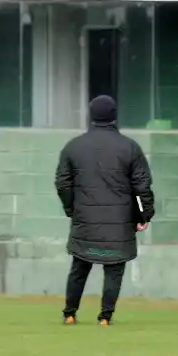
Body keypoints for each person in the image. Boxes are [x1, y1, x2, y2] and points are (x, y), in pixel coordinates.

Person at [54, 95, 155, 326]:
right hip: (120, 222)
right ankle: (105, 317)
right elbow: (142, 186)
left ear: (91, 116)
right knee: (114, 269)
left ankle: (70, 313)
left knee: (80, 266)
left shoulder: (73, 146)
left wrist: (71, 208)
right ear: (114, 116)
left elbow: (62, 183)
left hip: (84, 219)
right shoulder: (130, 147)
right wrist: (144, 215)